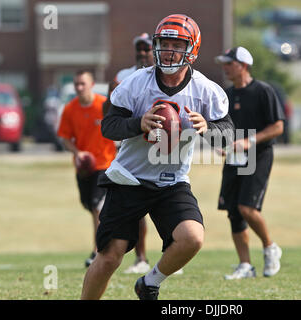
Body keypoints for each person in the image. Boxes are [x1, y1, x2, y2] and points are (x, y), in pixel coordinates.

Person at [80, 14, 234, 300]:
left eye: (177, 45)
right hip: (129, 178)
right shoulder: (136, 84)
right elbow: (109, 126)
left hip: (171, 181)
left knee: (192, 238)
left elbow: (227, 134)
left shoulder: (206, 90)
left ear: (192, 50)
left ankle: (149, 282)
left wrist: (208, 128)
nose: (168, 50)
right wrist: (138, 124)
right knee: (110, 256)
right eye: (164, 44)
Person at [214, 47, 285, 280]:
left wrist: (249, 141)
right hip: (235, 157)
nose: (225, 67)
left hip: (259, 155)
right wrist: (221, 144)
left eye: (229, 63)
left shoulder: (263, 91)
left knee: (248, 208)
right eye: (223, 63)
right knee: (234, 212)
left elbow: (278, 126)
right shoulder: (226, 94)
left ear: (243, 65)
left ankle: (269, 247)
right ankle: (245, 265)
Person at [102, 33, 155, 275]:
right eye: (140, 49)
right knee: (135, 207)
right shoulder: (124, 77)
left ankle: (171, 255)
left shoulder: (166, 77)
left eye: (147, 49)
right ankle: (140, 257)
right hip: (129, 149)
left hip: (161, 150)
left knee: (166, 202)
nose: (143, 53)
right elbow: (108, 111)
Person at [57, 70, 117, 267]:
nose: (79, 87)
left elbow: (118, 127)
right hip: (83, 167)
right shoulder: (70, 109)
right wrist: (77, 153)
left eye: (83, 83)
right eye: (76, 84)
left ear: (91, 84)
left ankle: (97, 250)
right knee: (88, 205)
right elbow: (65, 138)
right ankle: (106, 243)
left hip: (104, 164)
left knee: (96, 207)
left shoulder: (103, 105)